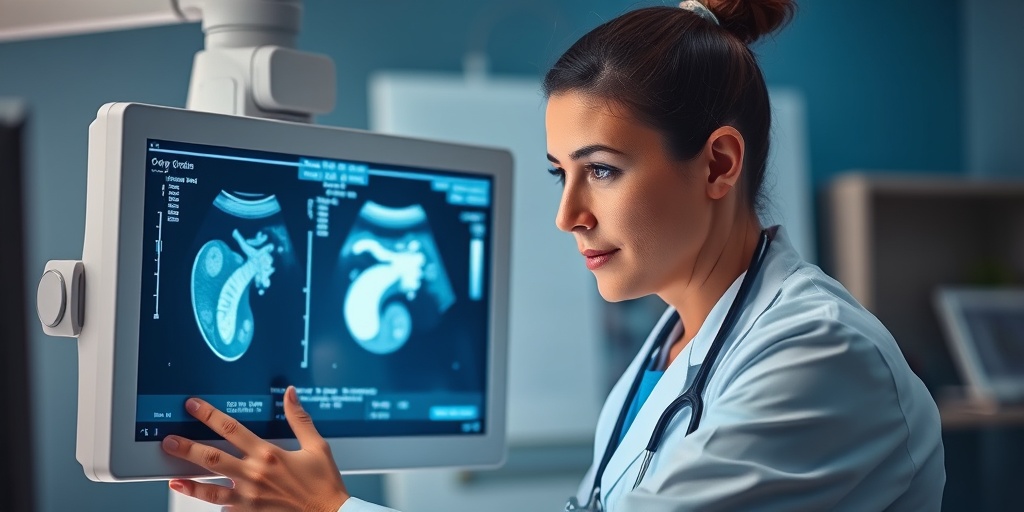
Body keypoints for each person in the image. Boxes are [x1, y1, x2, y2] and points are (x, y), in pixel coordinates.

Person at [161, 1, 946, 510]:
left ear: (718, 164)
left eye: (601, 170)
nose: (568, 214)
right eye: (560, 173)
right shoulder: (667, 354)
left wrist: (330, 509)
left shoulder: (818, 356)